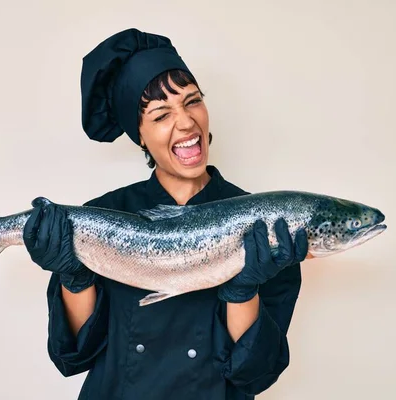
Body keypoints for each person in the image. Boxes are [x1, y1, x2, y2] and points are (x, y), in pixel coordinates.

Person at [23, 28, 308, 400]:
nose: (187, 122)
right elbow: (73, 355)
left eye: (193, 101)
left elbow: (255, 374)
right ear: (139, 134)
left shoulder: (267, 228)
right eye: (161, 115)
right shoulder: (100, 219)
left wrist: (242, 290)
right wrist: (75, 277)